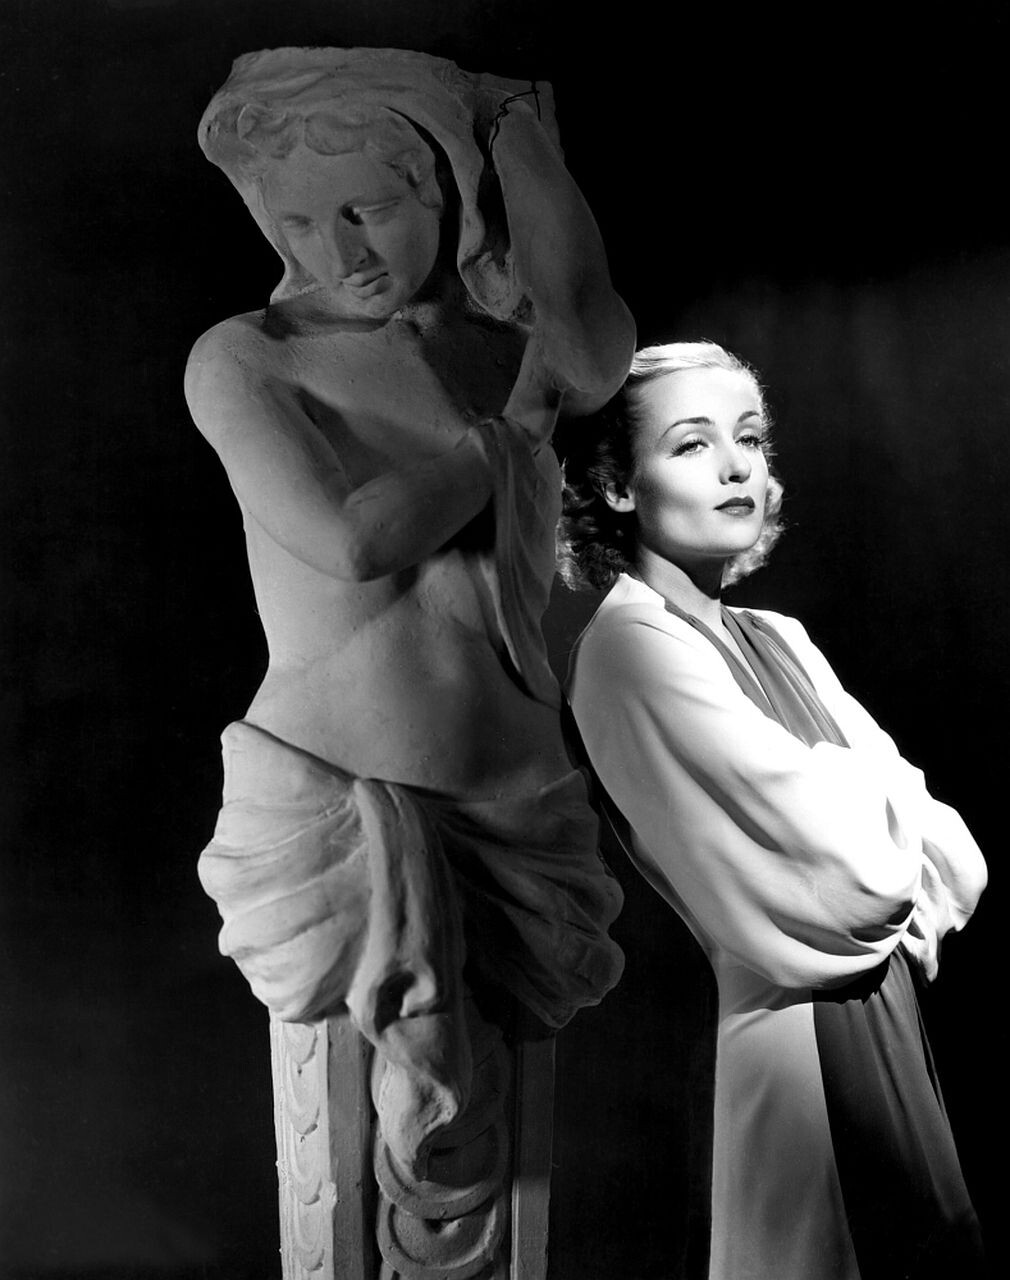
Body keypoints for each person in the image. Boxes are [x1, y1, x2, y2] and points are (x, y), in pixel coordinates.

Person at [185, 47, 632, 1174]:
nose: (335, 254)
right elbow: (353, 541)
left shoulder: (497, 351)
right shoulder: (247, 359)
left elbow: (587, 342)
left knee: (494, 1177)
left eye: (367, 211)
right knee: (365, 1176)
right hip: (338, 817)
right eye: (296, 223)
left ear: (441, 190)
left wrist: (509, 128)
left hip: (520, 814)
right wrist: (509, 435)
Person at [559, 341, 987, 1279]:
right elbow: (850, 875)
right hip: (794, 1041)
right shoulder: (630, 651)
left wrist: (859, 803)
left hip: (887, 1012)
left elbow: (951, 852)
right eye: (691, 444)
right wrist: (872, 801)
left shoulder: (779, 637)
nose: (736, 467)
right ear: (618, 486)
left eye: (749, 438)